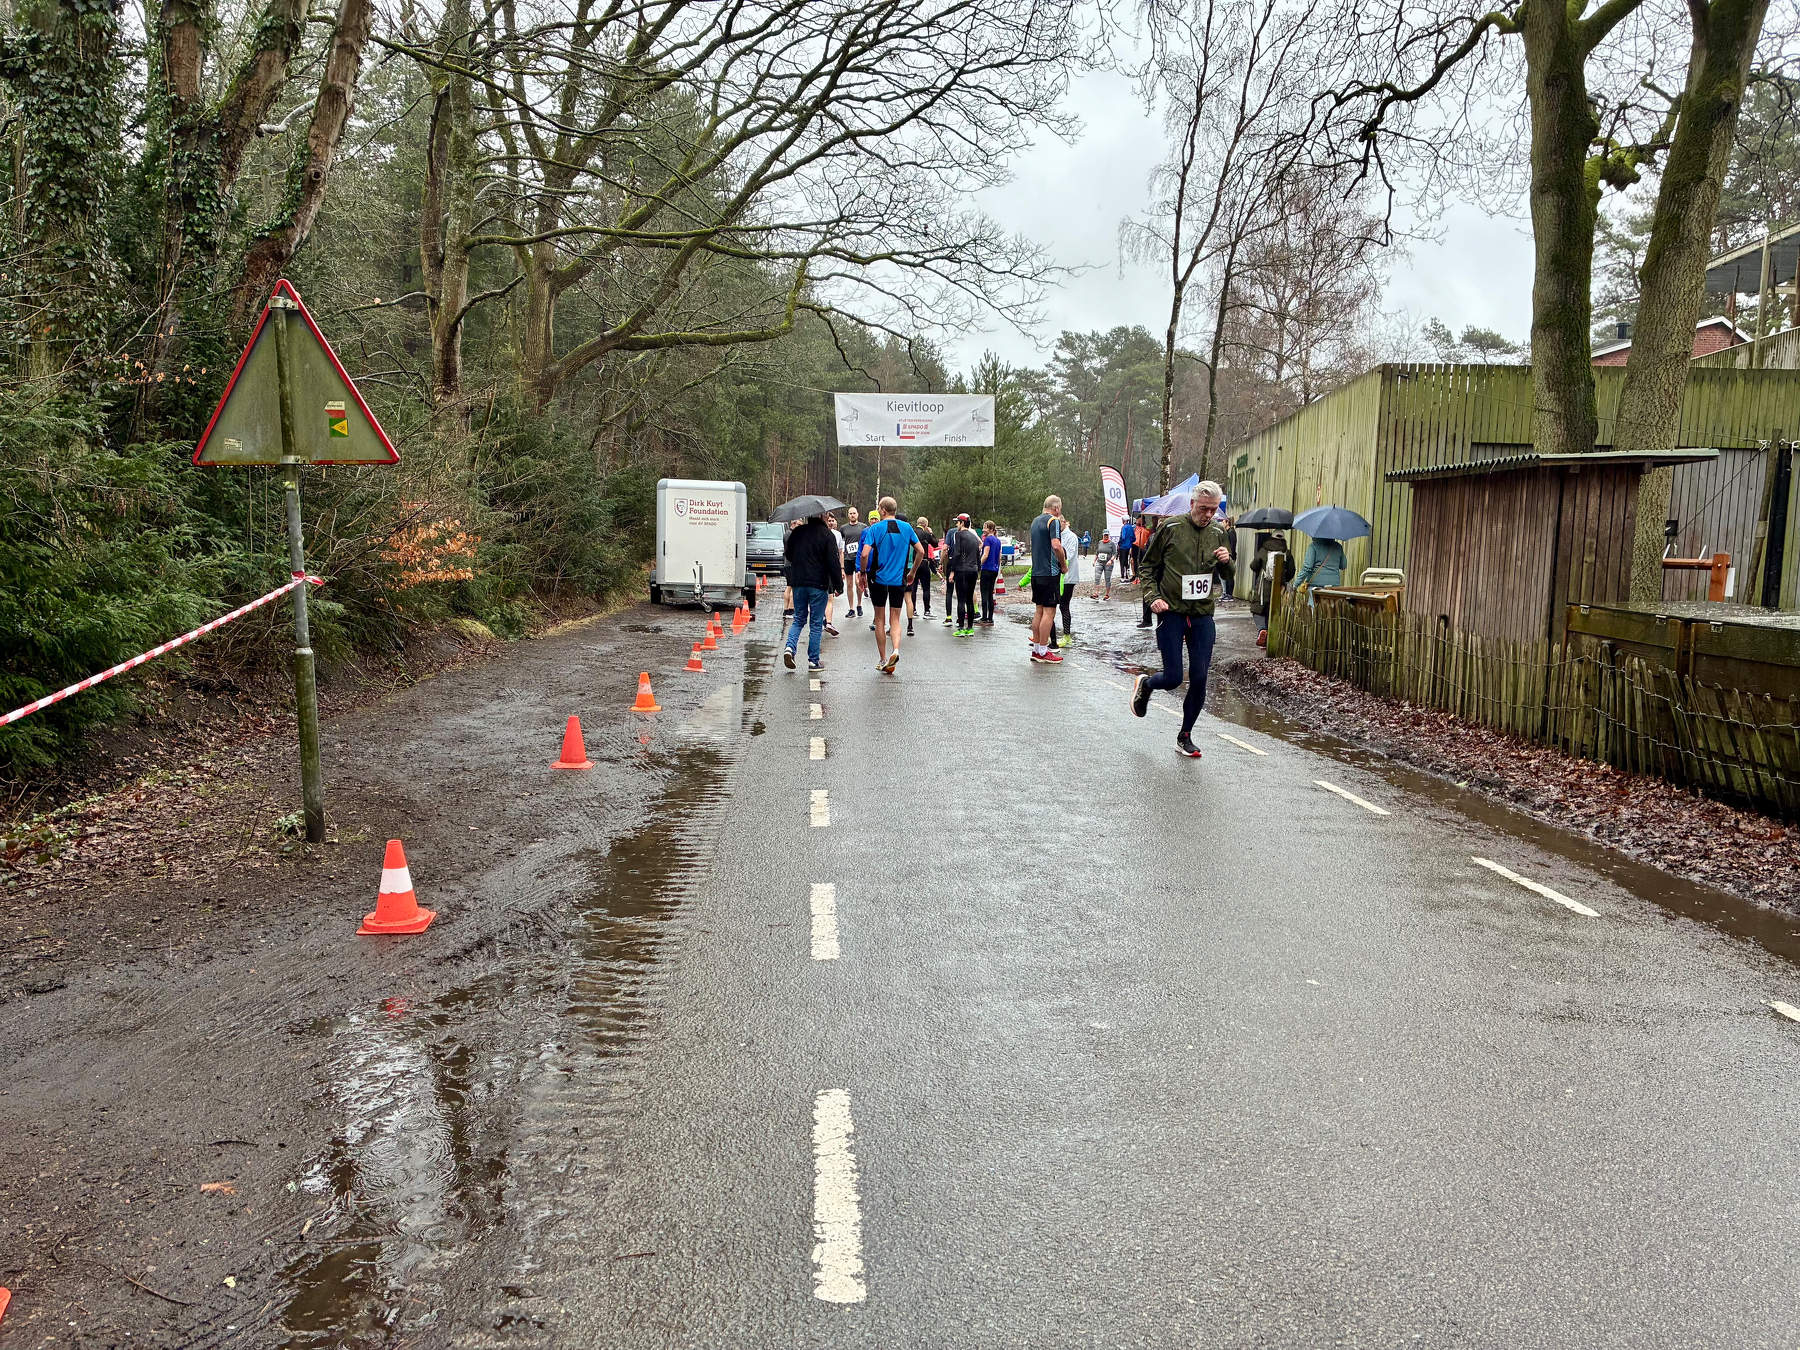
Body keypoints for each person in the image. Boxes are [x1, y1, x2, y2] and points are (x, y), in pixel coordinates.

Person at [1131, 482, 1234, 758]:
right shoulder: (1171, 528)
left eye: (1214, 510)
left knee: (1200, 677)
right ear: (1192, 504)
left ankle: (1185, 735)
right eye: (1204, 508)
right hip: (1172, 612)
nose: (1208, 515)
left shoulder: (1217, 533)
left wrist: (1226, 561)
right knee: (1175, 677)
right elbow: (1147, 566)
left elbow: (1229, 576)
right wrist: (1153, 597)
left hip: (1202, 614)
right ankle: (1147, 684)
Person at [858, 498, 922, 673]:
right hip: (898, 579)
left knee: (880, 619)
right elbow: (921, 551)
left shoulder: (875, 529)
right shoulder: (907, 528)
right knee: (895, 619)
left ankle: (883, 658)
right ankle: (896, 650)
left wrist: (863, 573)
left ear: (883, 510)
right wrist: (912, 572)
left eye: (879, 508)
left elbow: (864, 554)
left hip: (878, 579)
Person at [782, 512, 844, 672]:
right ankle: (813, 661)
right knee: (816, 624)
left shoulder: (797, 532)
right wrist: (838, 585)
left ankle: (789, 648)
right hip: (819, 584)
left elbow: (789, 555)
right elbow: (833, 562)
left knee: (798, 619)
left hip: (799, 583)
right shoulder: (826, 535)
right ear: (822, 518)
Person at [1027, 495, 1067, 664]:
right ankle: (1044, 651)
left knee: (1039, 610)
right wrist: (1063, 564)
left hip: (1036, 573)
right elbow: (1056, 545)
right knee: (1049, 612)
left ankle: (1037, 650)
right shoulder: (1054, 521)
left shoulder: (1035, 521)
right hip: (1049, 573)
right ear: (1056, 508)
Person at [945, 513, 982, 635]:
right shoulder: (974, 537)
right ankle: (970, 628)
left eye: (957, 522)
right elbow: (977, 555)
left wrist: (952, 571)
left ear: (962, 523)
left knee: (961, 599)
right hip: (973, 570)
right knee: (969, 600)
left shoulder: (958, 535)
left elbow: (956, 553)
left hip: (962, 570)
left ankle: (961, 628)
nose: (956, 524)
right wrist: (978, 570)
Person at [1054, 513, 1080, 646]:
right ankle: (1050, 635)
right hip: (1057, 575)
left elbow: (1068, 556)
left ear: (1065, 522)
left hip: (1068, 577)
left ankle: (1067, 635)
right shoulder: (1056, 536)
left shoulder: (1071, 537)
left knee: (1064, 605)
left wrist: (1057, 562)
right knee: (1052, 605)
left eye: (1060, 524)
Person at [910, 516, 938, 627]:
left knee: (913, 587)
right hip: (924, 563)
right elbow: (935, 544)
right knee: (926, 588)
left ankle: (913, 610)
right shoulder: (926, 534)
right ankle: (927, 611)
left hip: (913, 564)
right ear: (925, 525)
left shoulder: (912, 532)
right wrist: (931, 533)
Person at [839, 507, 866, 617]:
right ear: (848, 515)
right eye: (850, 513)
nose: (852, 515)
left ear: (857, 514)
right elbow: (841, 544)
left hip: (859, 559)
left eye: (854, 513)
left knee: (858, 582)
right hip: (848, 559)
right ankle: (851, 608)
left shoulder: (863, 527)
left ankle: (859, 605)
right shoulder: (843, 528)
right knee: (849, 584)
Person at [823, 512, 844, 637]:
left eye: (832, 520)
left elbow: (840, 553)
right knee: (828, 599)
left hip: (829, 569)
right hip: (827, 569)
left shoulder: (838, 535)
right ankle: (827, 622)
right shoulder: (828, 535)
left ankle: (827, 622)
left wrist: (841, 568)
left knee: (828, 598)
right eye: (828, 520)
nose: (830, 522)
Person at [978, 520, 1002, 624]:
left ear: (991, 529)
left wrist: (978, 564)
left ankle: (984, 617)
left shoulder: (988, 540)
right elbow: (999, 557)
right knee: (990, 594)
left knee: (984, 593)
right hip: (994, 569)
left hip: (986, 568)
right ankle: (990, 617)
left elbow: (985, 554)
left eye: (985, 528)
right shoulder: (998, 540)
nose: (983, 530)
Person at [1094, 532, 1117, 599]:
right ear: (1103, 535)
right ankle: (1096, 593)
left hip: (1108, 563)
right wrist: (1094, 561)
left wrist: (1111, 560)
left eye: (1107, 535)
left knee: (1107, 578)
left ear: (1108, 535)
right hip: (1099, 562)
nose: (1106, 536)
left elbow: (1115, 553)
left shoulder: (1111, 543)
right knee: (1097, 577)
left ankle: (1107, 594)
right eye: (1104, 535)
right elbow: (1097, 552)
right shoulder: (1100, 542)